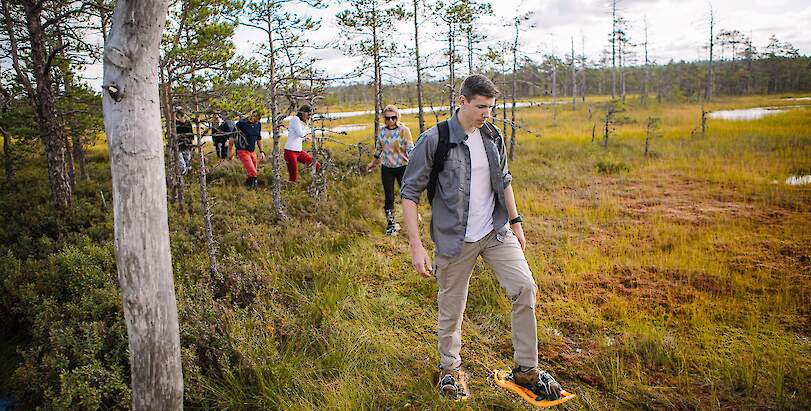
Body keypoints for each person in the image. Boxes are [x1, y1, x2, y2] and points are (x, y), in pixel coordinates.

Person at [400, 74, 563, 401]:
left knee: (525, 288)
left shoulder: (492, 135)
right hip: (455, 240)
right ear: (462, 101)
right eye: (480, 107)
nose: (486, 114)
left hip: (495, 231)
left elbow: (504, 180)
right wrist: (416, 246)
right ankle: (450, 369)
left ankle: (526, 370)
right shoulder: (434, 140)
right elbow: (409, 194)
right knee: (452, 307)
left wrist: (516, 222)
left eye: (490, 107)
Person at [366, 104, 414, 235]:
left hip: (403, 167)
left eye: (393, 117)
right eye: (387, 118)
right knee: (389, 196)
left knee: (407, 195)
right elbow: (378, 150)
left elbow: (410, 149)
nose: (391, 120)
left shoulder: (404, 130)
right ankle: (391, 224)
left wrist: (417, 164)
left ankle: (412, 220)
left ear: (397, 117)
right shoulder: (382, 131)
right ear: (384, 119)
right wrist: (372, 164)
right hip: (387, 168)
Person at [284, 105, 320, 183]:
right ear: (303, 113)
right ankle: (290, 189)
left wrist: (306, 137)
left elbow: (301, 135)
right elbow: (301, 134)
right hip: (290, 151)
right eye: (308, 114)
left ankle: (314, 182)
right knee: (293, 178)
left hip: (299, 151)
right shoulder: (295, 119)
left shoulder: (301, 122)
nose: (309, 117)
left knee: (316, 165)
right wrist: (307, 125)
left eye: (310, 115)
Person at [230, 112, 265, 187]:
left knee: (253, 171)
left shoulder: (258, 124)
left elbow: (259, 138)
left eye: (259, 119)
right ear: (252, 116)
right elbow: (232, 137)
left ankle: (247, 186)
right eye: (256, 119)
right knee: (252, 172)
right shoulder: (241, 123)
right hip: (242, 150)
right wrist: (229, 151)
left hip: (252, 151)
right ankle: (253, 189)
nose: (257, 121)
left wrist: (261, 151)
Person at [175, 110, 194, 174]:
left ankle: (188, 176)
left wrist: (191, 145)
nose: (178, 118)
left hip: (187, 146)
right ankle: (182, 174)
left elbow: (191, 135)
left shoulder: (188, 124)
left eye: (179, 116)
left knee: (187, 162)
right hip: (179, 146)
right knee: (182, 164)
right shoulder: (176, 124)